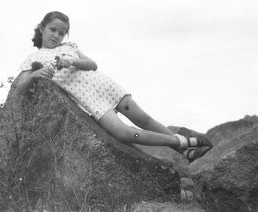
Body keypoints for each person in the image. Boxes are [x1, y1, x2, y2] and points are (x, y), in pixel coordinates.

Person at [14, 11, 212, 163]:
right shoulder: (33, 58)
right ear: (41, 28)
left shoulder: (69, 47)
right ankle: (186, 141)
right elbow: (19, 87)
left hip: (105, 86)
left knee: (145, 119)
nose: (57, 35)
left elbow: (93, 65)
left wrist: (71, 61)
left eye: (61, 32)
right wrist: (34, 75)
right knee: (123, 133)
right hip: (89, 101)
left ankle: (186, 153)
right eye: (52, 30)